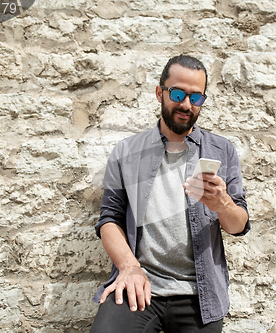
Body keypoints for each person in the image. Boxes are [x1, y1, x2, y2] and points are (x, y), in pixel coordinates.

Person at [90, 54, 250, 333]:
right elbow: (109, 219)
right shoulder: (126, 152)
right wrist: (129, 267)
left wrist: (223, 204)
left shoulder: (222, 151)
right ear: (159, 93)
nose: (186, 105)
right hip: (138, 287)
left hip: (199, 295)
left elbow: (238, 226)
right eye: (177, 93)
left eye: (196, 97)